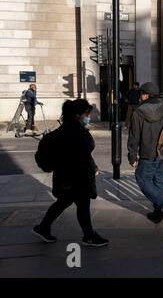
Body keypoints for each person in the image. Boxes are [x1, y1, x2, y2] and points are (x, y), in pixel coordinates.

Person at [32, 99, 108, 247]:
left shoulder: (65, 130)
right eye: (87, 114)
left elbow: (85, 154)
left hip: (65, 177)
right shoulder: (76, 132)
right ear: (78, 115)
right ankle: (89, 236)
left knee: (65, 202)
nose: (88, 117)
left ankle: (43, 228)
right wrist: (91, 166)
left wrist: (93, 166)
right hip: (76, 177)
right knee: (82, 204)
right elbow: (86, 149)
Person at [128, 82, 163, 224]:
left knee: (141, 178)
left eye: (142, 93)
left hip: (147, 154)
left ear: (146, 95)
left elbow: (134, 137)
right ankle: (159, 212)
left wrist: (132, 157)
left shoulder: (138, 112)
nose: (140, 96)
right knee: (158, 181)